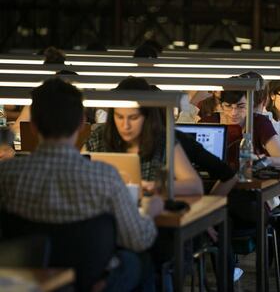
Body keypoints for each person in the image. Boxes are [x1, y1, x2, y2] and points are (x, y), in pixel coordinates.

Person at [0, 78, 163, 291]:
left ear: (32, 127)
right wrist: (149, 213)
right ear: (80, 124)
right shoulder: (105, 177)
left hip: (29, 278)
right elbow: (138, 240)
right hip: (90, 280)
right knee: (138, 261)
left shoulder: (6, 175)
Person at [85, 77, 203, 196]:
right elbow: (78, 177)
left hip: (151, 211)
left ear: (146, 117)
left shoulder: (163, 141)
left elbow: (195, 186)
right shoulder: (99, 137)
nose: (125, 126)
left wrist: (156, 186)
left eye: (133, 118)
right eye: (119, 117)